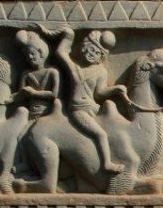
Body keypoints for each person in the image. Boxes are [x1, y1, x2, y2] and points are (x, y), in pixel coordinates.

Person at [50, 28, 124, 178]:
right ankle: (107, 164)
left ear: (101, 56)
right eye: (91, 49)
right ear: (84, 47)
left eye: (97, 53)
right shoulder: (76, 69)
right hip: (78, 110)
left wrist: (115, 90)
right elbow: (61, 53)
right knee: (101, 134)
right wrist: (69, 35)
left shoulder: (101, 71)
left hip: (94, 108)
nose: (92, 54)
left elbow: (99, 93)